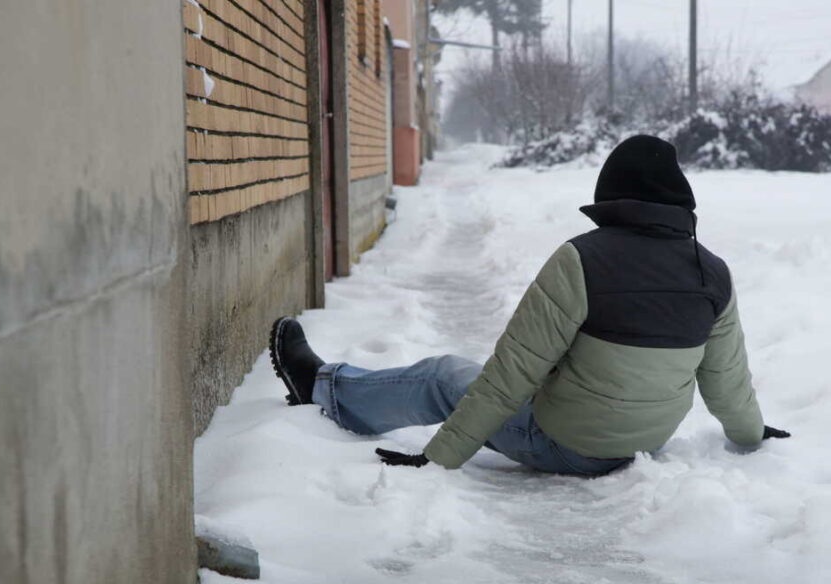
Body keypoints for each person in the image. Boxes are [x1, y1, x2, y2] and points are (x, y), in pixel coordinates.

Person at [268, 135, 789, 477]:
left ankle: (322, 386)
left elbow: (511, 375)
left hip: (567, 446)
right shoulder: (711, 270)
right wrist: (751, 433)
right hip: (641, 448)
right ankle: (333, 389)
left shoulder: (582, 259)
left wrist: (438, 456)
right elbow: (727, 377)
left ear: (610, 195)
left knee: (444, 375)